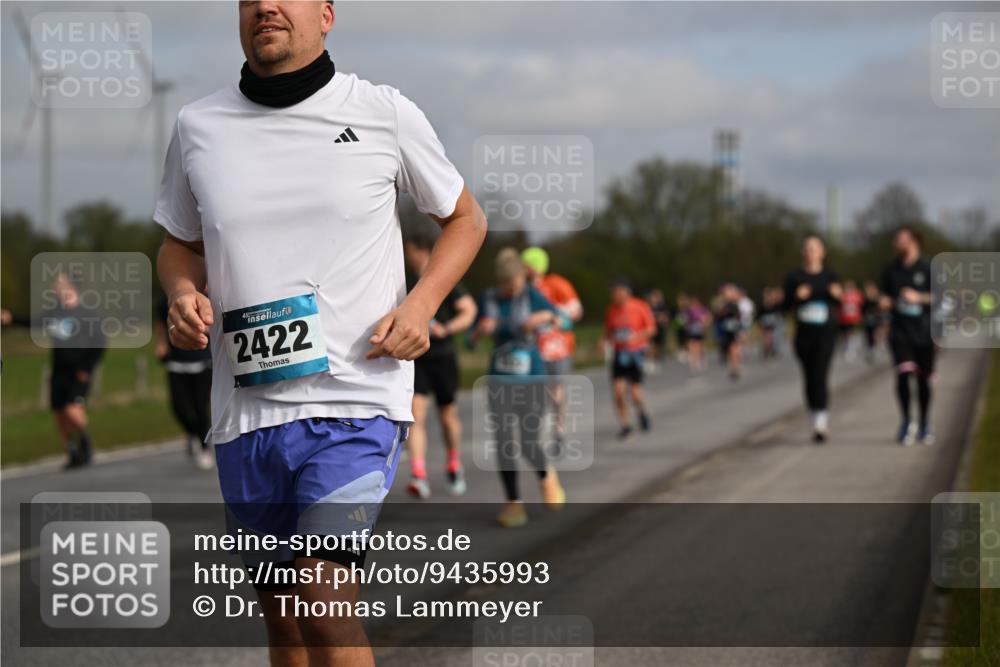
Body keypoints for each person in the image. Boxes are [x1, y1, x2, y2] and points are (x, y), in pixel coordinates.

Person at [154, 2, 486, 664]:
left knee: (324, 595)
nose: (265, 7)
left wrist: (421, 306)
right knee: (284, 619)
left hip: (357, 398)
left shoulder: (382, 112)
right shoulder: (198, 126)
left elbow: (466, 219)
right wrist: (183, 292)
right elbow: (178, 244)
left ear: (327, 14)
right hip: (246, 414)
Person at [471, 248, 566, 528]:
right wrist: (480, 332)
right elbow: (470, 341)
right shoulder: (488, 299)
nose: (512, 292)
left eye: (516, 286)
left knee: (527, 441)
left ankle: (546, 476)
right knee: (503, 442)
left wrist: (545, 318)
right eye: (507, 287)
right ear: (499, 283)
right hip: (500, 380)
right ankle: (514, 503)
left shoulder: (532, 296)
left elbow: (564, 319)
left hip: (532, 379)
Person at [2, 273, 106, 469]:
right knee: (59, 413)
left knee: (72, 410)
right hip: (59, 370)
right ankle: (72, 452)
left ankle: (85, 441)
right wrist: (11, 318)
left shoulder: (86, 314)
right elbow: (34, 322)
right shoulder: (56, 313)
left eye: (60, 284)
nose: (55, 287)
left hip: (79, 372)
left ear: (71, 287)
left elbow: (99, 343)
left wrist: (86, 367)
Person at [403, 234, 477, 499]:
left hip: (443, 356)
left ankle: (454, 463)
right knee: (416, 415)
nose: (407, 255)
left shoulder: (442, 279)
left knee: (447, 415)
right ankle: (418, 474)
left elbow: (469, 310)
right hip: (417, 358)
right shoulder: (407, 282)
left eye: (410, 250)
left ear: (422, 251)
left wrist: (448, 328)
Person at [520, 246, 583, 446]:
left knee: (557, 389)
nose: (522, 269)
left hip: (558, 348)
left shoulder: (556, 283)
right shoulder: (523, 289)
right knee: (540, 389)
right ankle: (544, 425)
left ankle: (559, 426)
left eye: (526, 265)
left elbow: (576, 311)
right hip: (534, 348)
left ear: (535, 266)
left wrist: (556, 316)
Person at [783, 235, 842, 443]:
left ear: (822, 252)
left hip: (825, 333)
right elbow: (785, 306)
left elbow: (841, 301)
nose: (811, 252)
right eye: (807, 248)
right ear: (803, 253)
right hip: (804, 334)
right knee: (809, 377)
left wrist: (837, 294)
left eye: (814, 248)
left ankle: (821, 421)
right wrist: (796, 297)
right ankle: (813, 414)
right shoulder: (794, 277)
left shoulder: (830, 276)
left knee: (820, 373)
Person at [881, 226, 935, 446]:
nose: (898, 244)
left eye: (902, 240)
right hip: (899, 332)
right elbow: (884, 297)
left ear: (915, 242)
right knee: (903, 374)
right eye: (897, 240)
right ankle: (906, 422)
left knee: (923, 381)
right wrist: (884, 302)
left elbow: (941, 298)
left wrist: (918, 298)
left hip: (923, 332)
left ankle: (924, 423)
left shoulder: (928, 267)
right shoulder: (890, 270)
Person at [154, 294, 214, 469]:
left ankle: (204, 448)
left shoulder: (206, 297)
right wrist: (160, 343)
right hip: (176, 361)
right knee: (177, 407)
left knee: (200, 407)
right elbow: (160, 323)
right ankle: (193, 433)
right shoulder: (167, 299)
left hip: (202, 361)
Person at [601, 279, 656, 440]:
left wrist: (636, 337)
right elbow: (608, 332)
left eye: (618, 291)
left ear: (627, 292)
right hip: (619, 353)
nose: (615, 295)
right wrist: (604, 341)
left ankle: (642, 412)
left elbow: (651, 329)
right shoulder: (611, 310)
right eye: (613, 292)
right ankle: (625, 424)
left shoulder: (639, 306)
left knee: (634, 393)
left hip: (635, 353)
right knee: (618, 391)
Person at [715, 283, 745, 380]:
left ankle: (735, 368)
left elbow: (739, 317)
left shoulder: (735, 304)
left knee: (734, 349)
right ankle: (731, 367)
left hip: (733, 330)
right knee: (728, 350)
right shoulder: (721, 304)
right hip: (725, 330)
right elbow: (718, 316)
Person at [683, 296, 711, 374]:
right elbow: (685, 320)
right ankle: (693, 364)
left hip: (699, 330)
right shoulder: (688, 310)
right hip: (691, 330)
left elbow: (708, 318)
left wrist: (704, 324)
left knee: (698, 346)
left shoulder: (702, 309)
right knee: (691, 347)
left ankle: (699, 361)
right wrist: (686, 326)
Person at [837, 280, 864, 361]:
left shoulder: (858, 295)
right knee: (844, 334)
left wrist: (860, 316)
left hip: (853, 318)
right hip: (843, 318)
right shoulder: (842, 295)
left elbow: (861, 306)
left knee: (850, 333)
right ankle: (846, 345)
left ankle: (850, 348)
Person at [645, 288, 671, 364]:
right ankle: (650, 359)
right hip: (650, 328)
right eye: (653, 297)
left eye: (656, 297)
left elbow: (666, 317)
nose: (654, 299)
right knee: (649, 344)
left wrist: (662, 319)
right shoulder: (647, 306)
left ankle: (656, 358)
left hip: (659, 327)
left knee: (658, 344)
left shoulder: (662, 306)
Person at [757, 287, 782, 360]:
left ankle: (769, 349)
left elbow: (778, 312)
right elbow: (759, 314)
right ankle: (767, 349)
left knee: (770, 337)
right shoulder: (765, 304)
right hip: (767, 321)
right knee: (767, 337)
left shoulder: (773, 303)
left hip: (770, 322)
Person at [861, 281, 883, 364]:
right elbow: (862, 309)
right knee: (868, 334)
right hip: (868, 319)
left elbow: (880, 308)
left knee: (876, 333)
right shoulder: (865, 298)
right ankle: (871, 349)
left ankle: (876, 348)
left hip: (877, 319)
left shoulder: (877, 297)